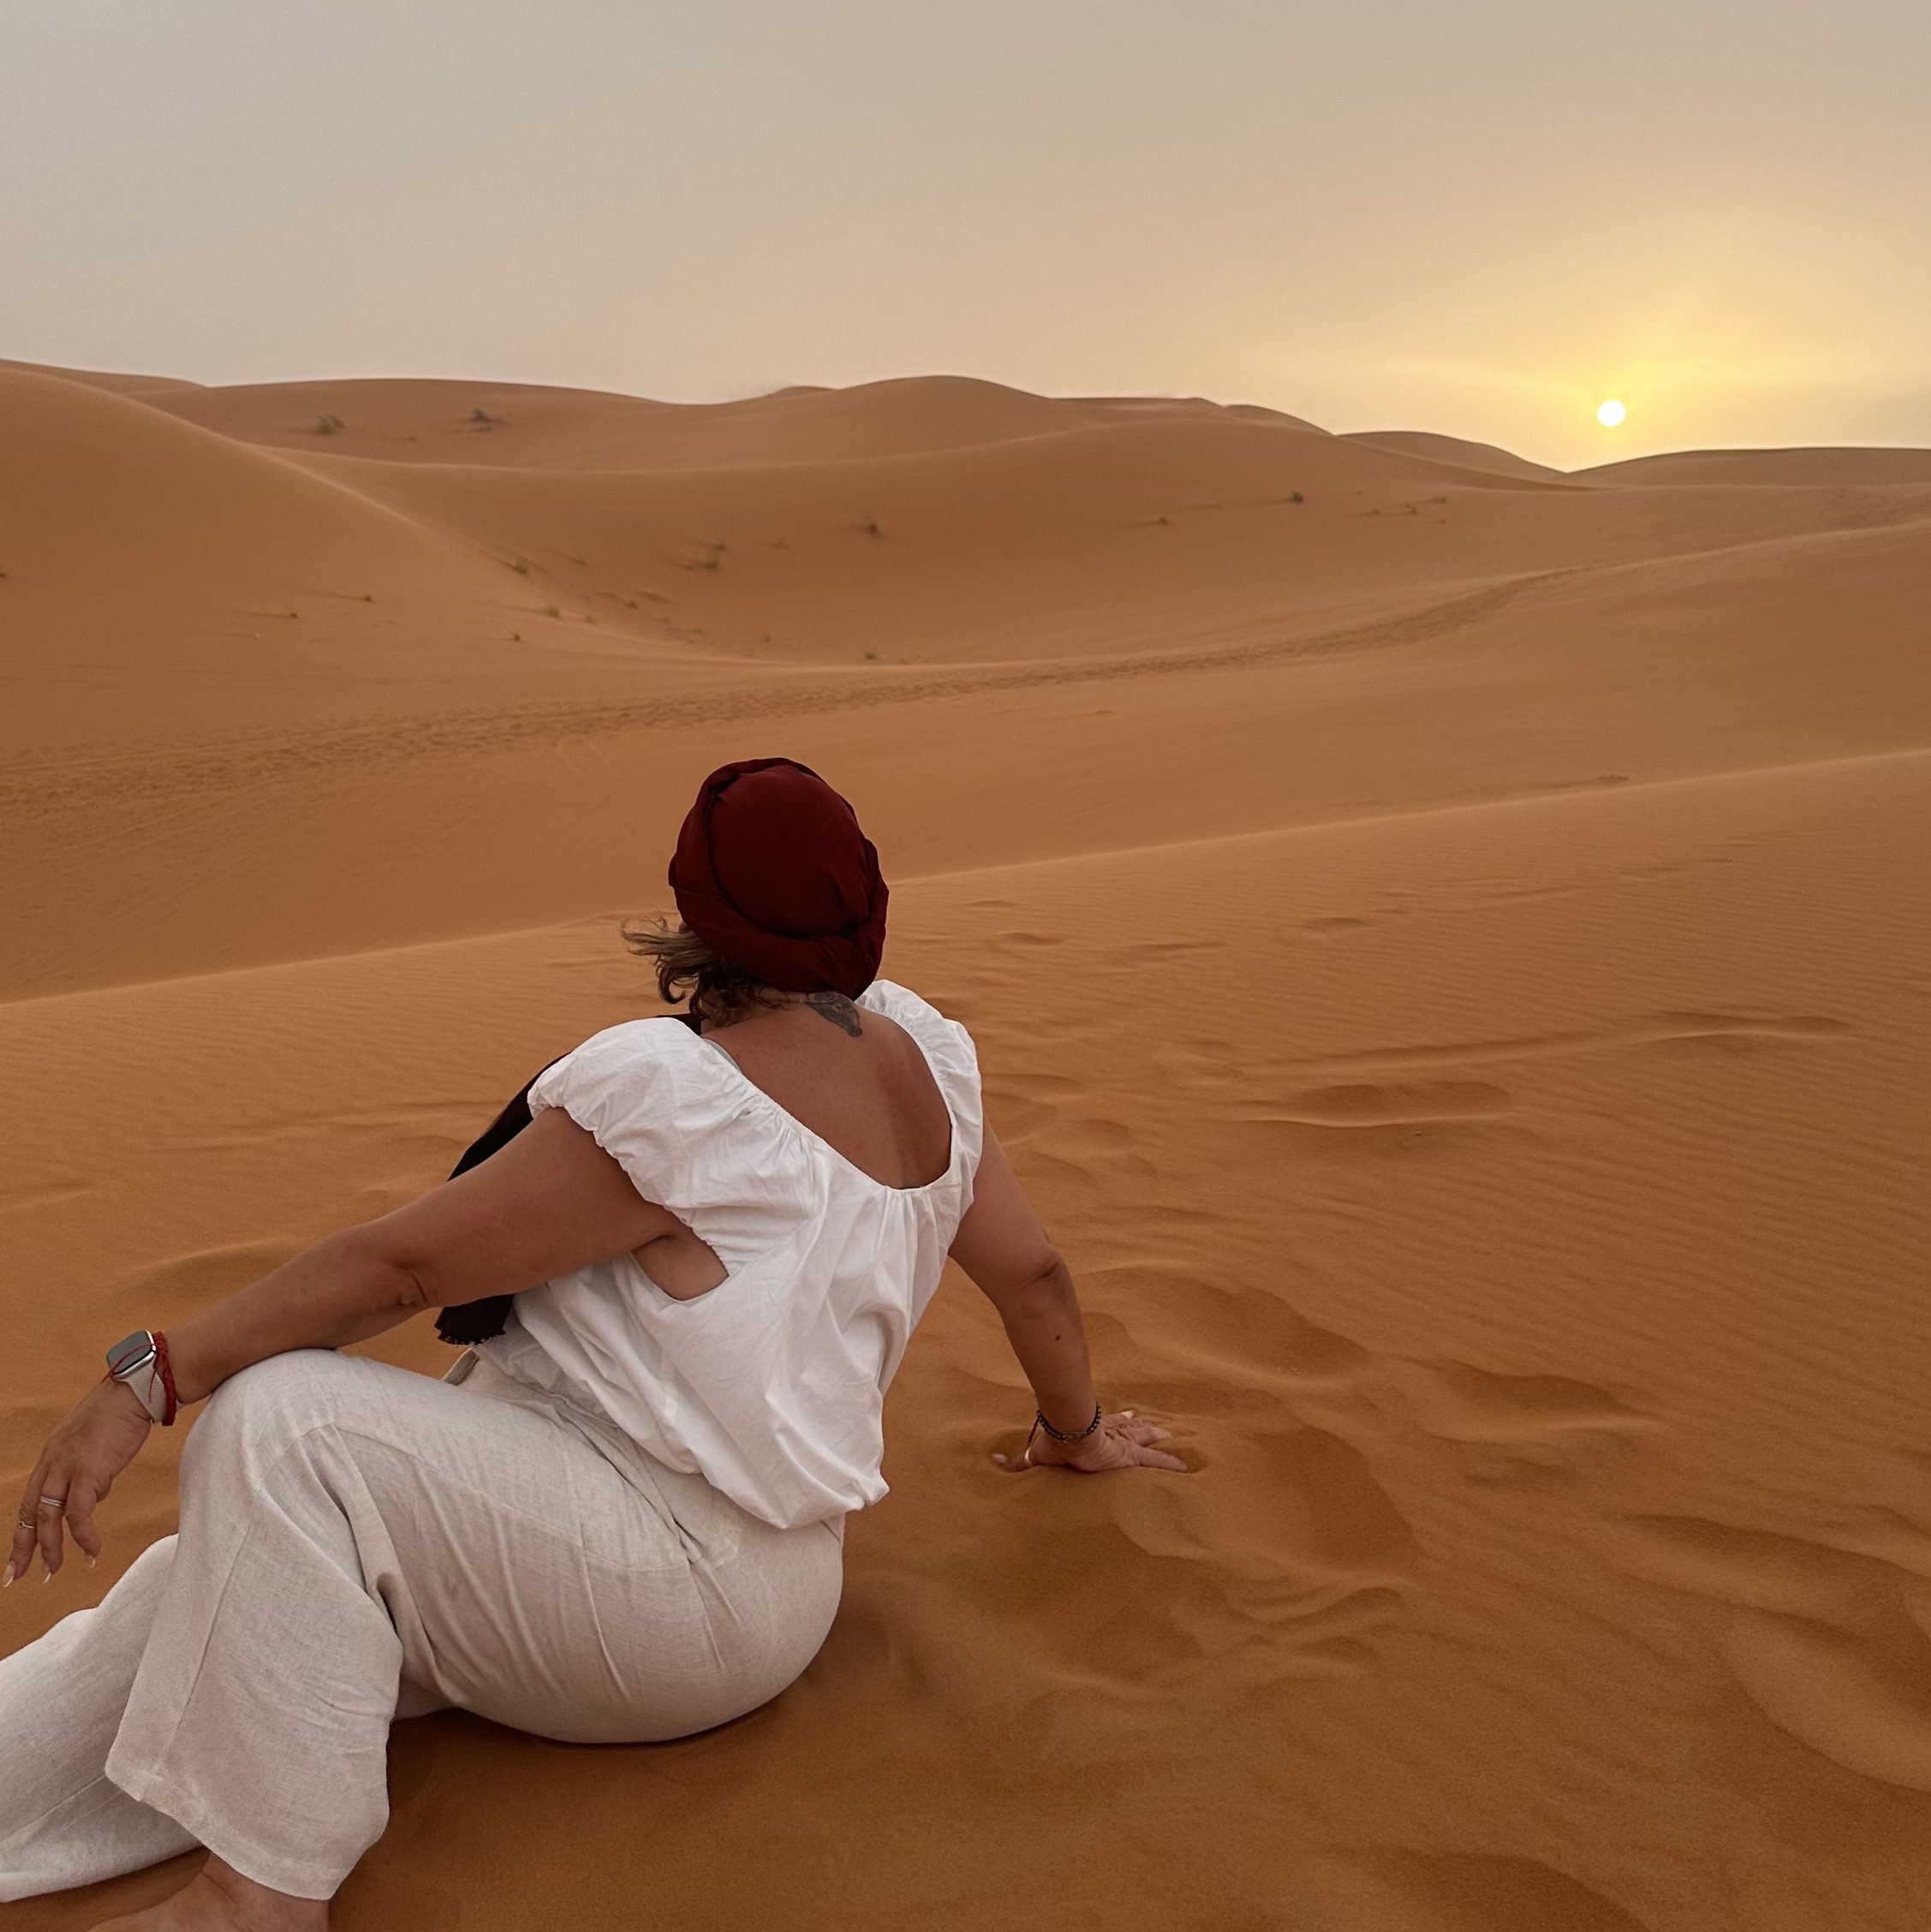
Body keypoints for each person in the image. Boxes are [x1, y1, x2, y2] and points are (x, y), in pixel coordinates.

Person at [0, 756, 1184, 1929]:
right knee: (223, 1580)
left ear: (698, 914)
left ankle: (259, 1896)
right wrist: (1073, 1432)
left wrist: (153, 1375)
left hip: (663, 1591)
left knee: (284, 1430)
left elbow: (403, 1266)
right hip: (746, 1580)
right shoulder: (926, 1063)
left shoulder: (691, 1102)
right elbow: (1032, 1272)